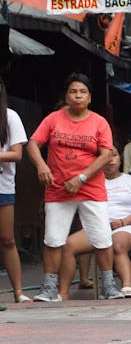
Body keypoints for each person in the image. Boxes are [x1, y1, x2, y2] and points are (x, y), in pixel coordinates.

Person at [27, 73, 116, 302]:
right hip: (58, 189)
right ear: (66, 96)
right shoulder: (53, 119)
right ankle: (48, 289)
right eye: (73, 91)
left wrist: (82, 178)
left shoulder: (99, 122)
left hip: (91, 189)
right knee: (53, 239)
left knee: (102, 238)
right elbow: (33, 144)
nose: (78, 96)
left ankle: (109, 287)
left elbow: (106, 154)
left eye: (82, 92)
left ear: (89, 97)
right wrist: (41, 166)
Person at [59, 147, 131, 300]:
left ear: (120, 159)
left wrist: (122, 222)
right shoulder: (92, 183)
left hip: (126, 226)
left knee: (117, 245)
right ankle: (63, 292)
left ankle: (127, 286)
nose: (111, 160)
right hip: (97, 226)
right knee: (69, 245)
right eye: (106, 157)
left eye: (114, 156)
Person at [0, 78, 31, 304]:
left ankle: (19, 292)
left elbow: (17, 154)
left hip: (3, 186)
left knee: (8, 239)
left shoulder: (10, 116)